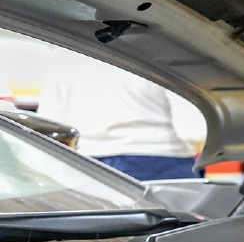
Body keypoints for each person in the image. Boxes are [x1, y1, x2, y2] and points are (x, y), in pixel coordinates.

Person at [37, 45, 206, 180]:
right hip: (161, 163)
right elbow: (192, 130)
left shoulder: (62, 54)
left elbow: (50, 125)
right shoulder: (160, 51)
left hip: (85, 166)